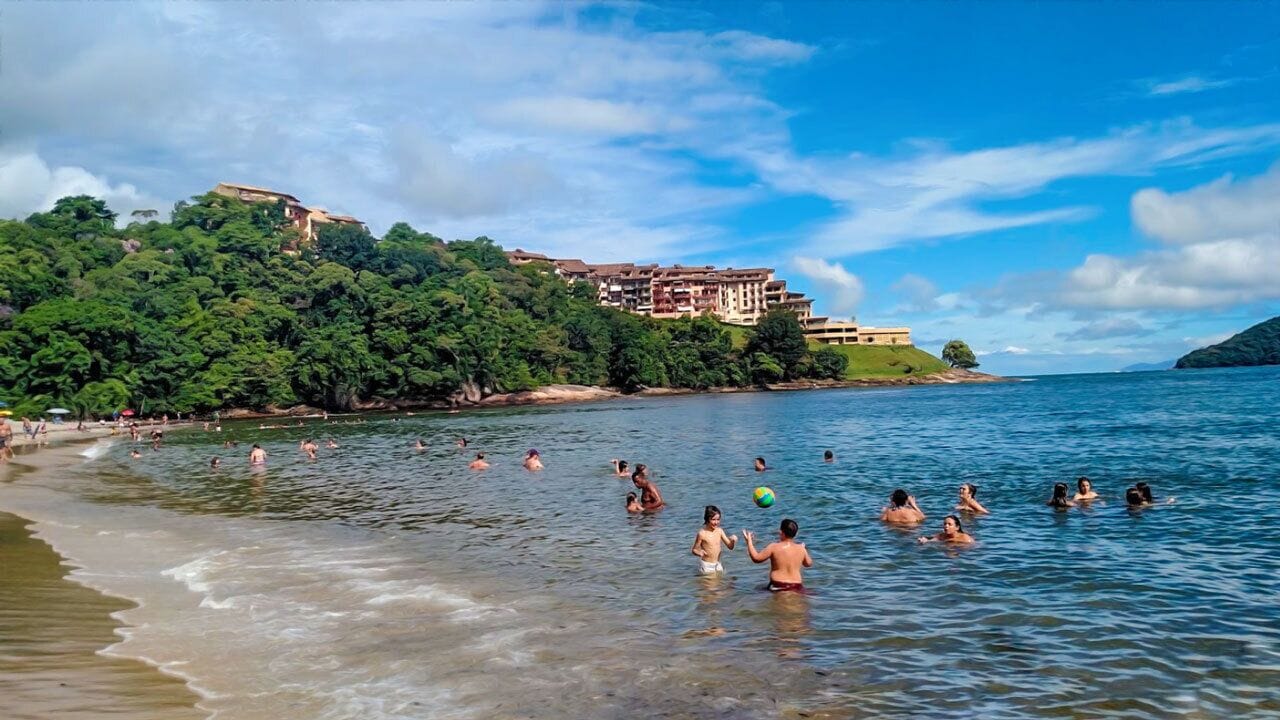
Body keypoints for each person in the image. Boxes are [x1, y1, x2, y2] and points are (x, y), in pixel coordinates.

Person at [744, 518, 812, 592]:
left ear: (781, 532)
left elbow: (756, 558)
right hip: (797, 587)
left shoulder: (774, 547)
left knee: (756, 591)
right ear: (796, 534)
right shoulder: (801, 549)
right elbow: (808, 563)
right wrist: (803, 550)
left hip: (778, 586)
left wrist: (749, 541)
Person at [691, 505, 738, 574]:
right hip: (707, 565)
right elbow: (694, 550)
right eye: (713, 519)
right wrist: (699, 553)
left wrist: (733, 541)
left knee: (721, 583)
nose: (716, 522)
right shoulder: (702, 534)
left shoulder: (720, 531)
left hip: (718, 564)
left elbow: (730, 547)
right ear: (707, 519)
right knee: (711, 584)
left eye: (718, 519)